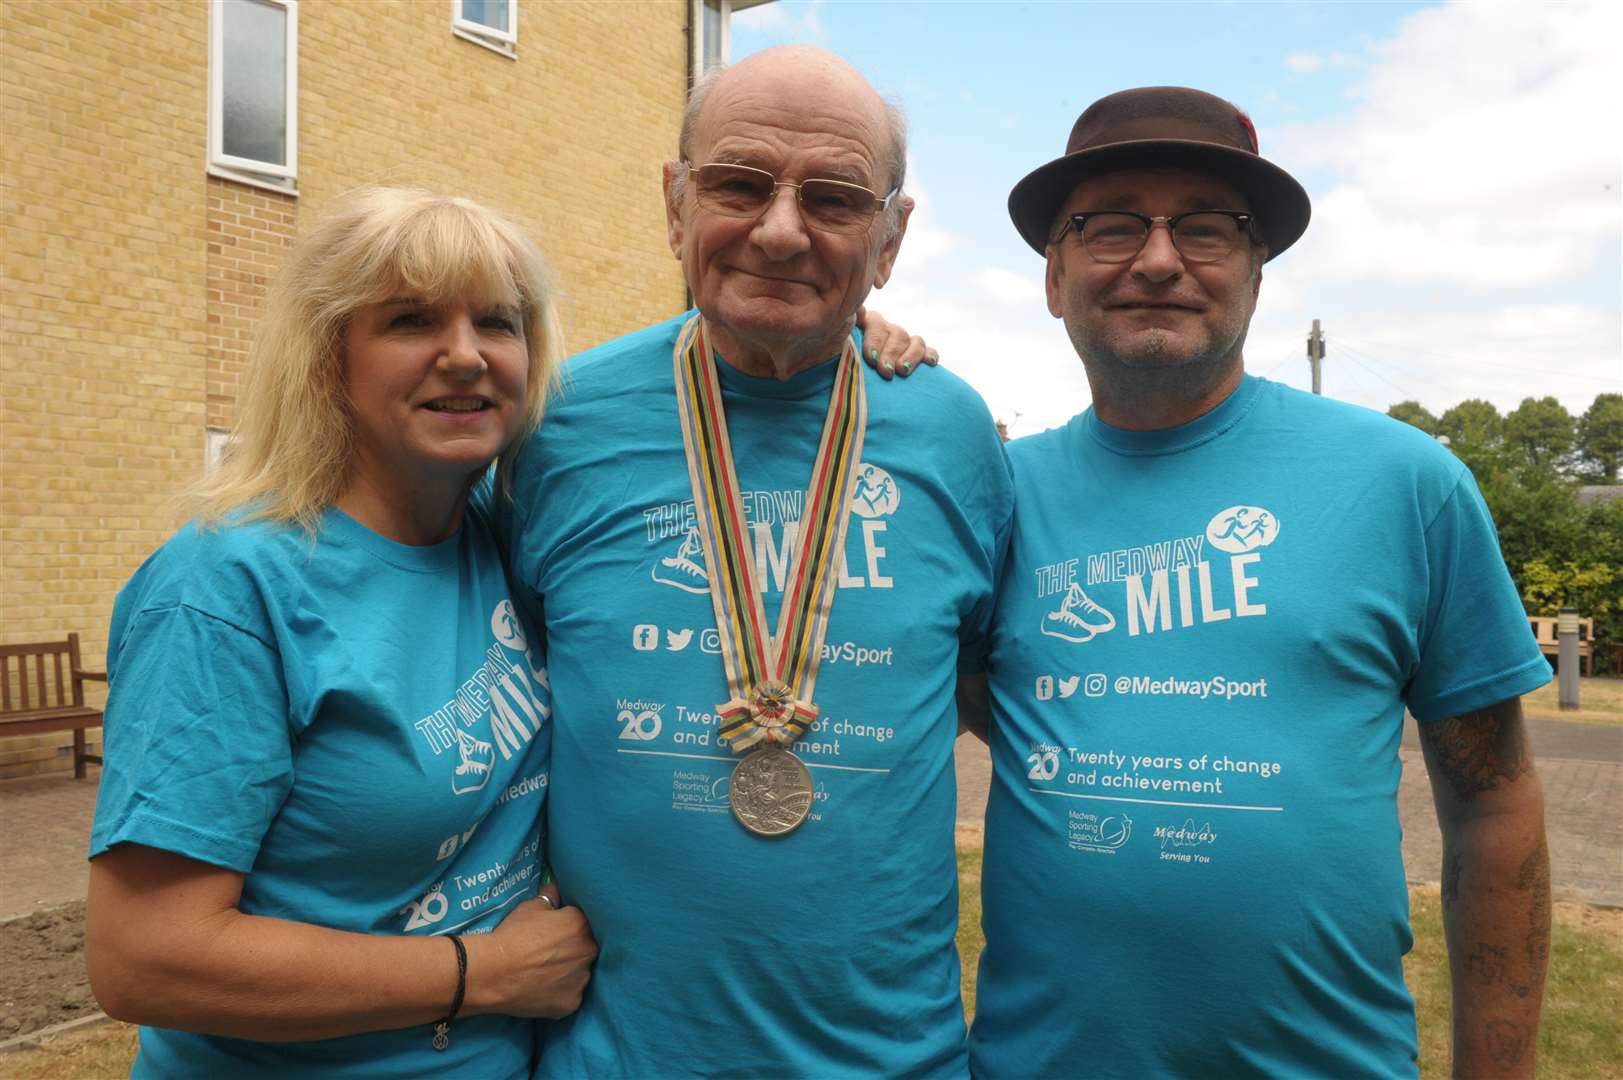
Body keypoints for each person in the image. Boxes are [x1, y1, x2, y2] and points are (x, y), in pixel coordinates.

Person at [961, 87, 1552, 1078]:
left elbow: (1494, 804)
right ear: (1054, 276)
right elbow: (989, 703)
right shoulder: (993, 502)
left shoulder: (1404, 484)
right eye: (1109, 227)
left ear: (1256, 269)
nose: (1157, 259)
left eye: (1204, 226)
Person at [498, 46, 1011, 1077]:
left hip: (889, 1059)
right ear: (676, 204)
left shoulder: (954, 432)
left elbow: (977, 679)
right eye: (739, 183)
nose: (780, 231)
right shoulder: (554, 424)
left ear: (891, 236)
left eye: (834, 198)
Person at [85, 188, 598, 1078]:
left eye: (499, 322)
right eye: (410, 320)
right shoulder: (228, 587)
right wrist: (478, 973)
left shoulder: (499, 530)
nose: (466, 356)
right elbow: (143, 956)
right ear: (329, 359)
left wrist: (835, 331)